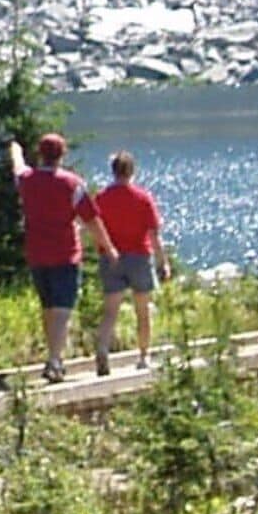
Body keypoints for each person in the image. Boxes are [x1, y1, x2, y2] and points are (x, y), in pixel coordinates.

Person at [7, 132, 89, 384]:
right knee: (62, 310)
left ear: (40, 154)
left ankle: (54, 358)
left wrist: (15, 148)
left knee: (48, 308)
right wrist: (108, 247)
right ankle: (54, 361)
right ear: (62, 155)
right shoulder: (72, 183)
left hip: (36, 253)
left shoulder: (27, 180)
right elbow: (91, 219)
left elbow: (18, 166)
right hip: (65, 253)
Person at [89, 151, 164, 374]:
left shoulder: (101, 198)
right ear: (132, 171)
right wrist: (162, 261)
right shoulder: (142, 198)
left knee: (110, 310)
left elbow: (94, 227)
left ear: (113, 171)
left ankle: (102, 347)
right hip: (139, 257)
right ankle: (144, 356)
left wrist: (101, 249)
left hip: (111, 257)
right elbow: (153, 234)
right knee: (143, 310)